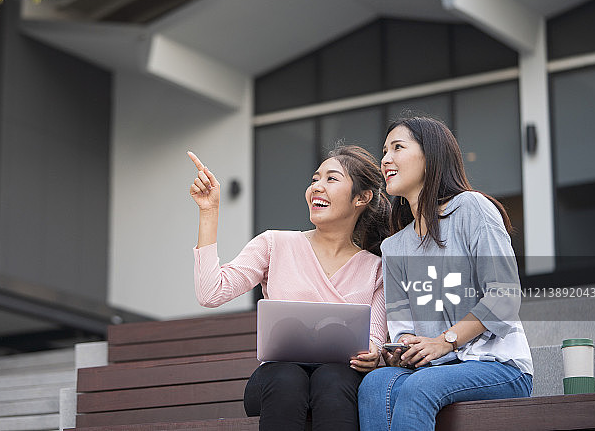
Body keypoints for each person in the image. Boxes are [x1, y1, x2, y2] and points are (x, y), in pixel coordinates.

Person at [187, 145, 391, 431]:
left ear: (362, 197)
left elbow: (375, 341)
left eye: (331, 179)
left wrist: (372, 354)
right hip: (277, 381)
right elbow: (211, 293)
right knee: (287, 377)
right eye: (314, 179)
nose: (316, 187)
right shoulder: (273, 244)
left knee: (333, 378)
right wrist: (209, 212)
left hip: (340, 382)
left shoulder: (376, 268)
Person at [358, 116, 533, 431]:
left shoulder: (472, 208)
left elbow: (504, 296)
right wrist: (406, 345)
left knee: (417, 387)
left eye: (398, 147)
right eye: (384, 151)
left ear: (431, 156)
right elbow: (402, 327)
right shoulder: (394, 247)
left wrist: (445, 341)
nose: (385, 159)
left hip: (498, 366)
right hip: (435, 369)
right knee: (375, 385)